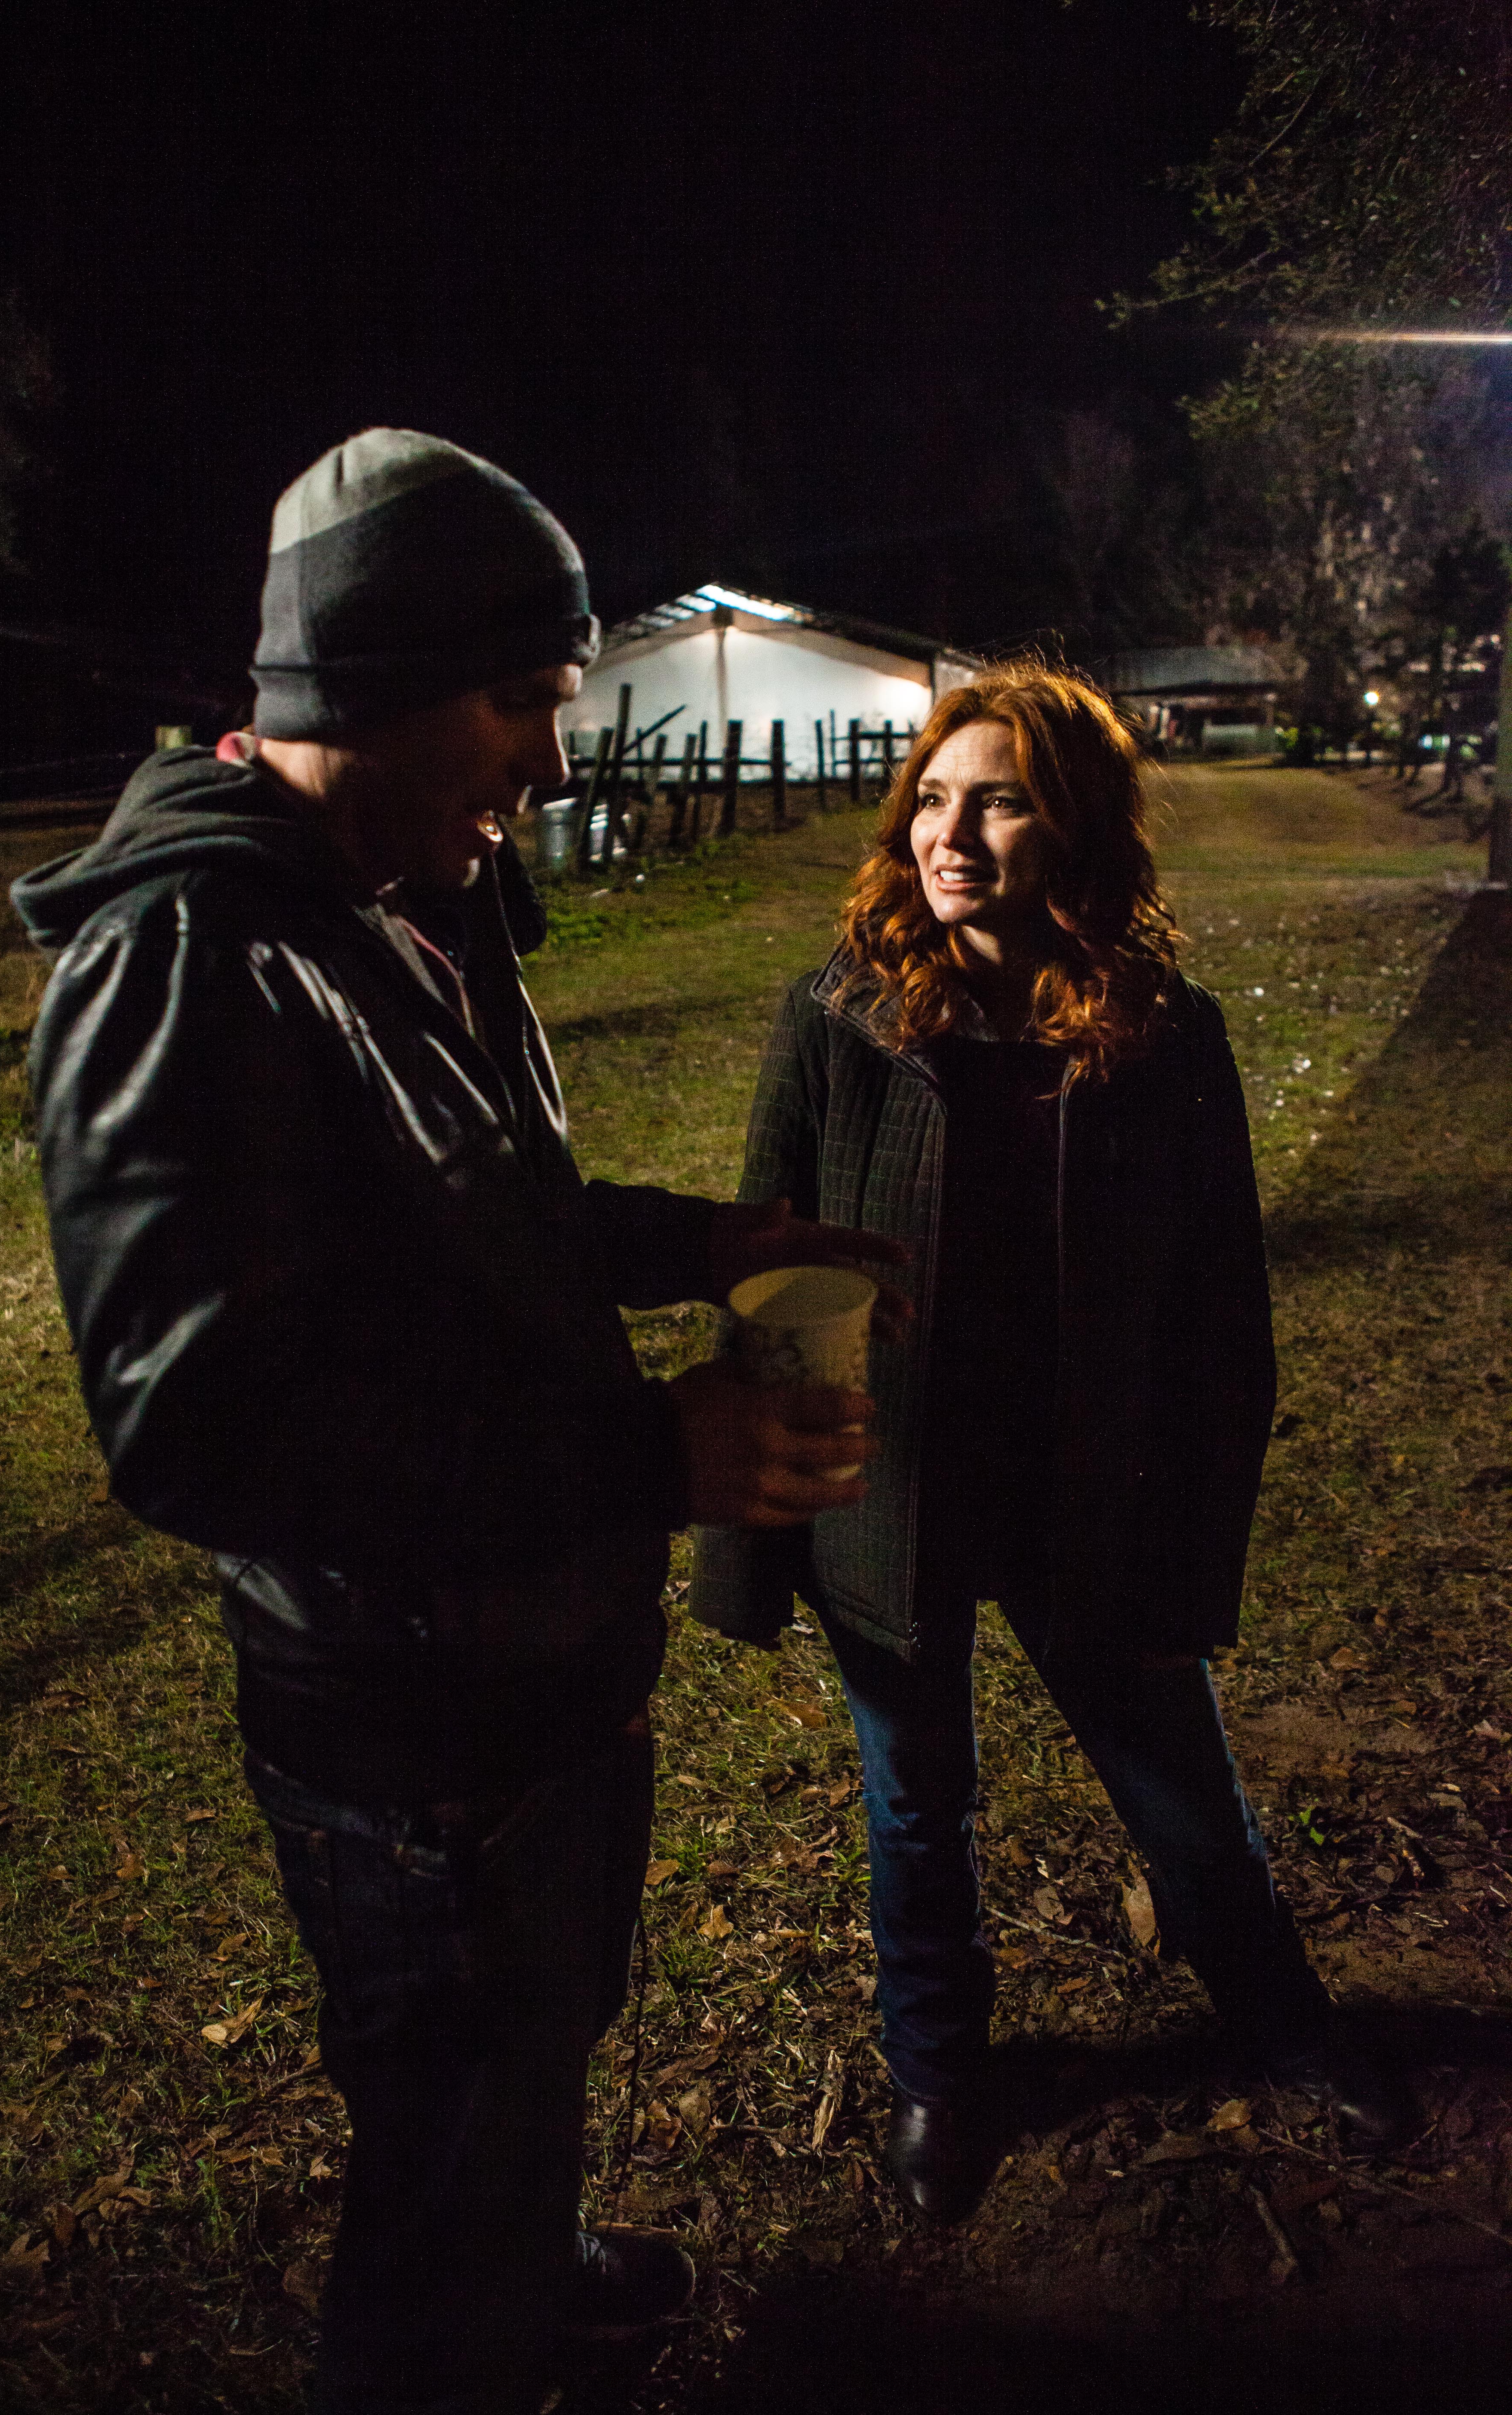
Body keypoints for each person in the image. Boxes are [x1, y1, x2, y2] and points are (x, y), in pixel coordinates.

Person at [12, 429, 897, 2415]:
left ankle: (529, 2244)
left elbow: (473, 1200)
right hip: (409, 1728)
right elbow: (200, 1426)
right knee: (447, 2140)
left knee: (535, 2039)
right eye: (524, 705)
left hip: (529, 1662)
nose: (559, 769)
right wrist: (644, 1465)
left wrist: (708, 1241)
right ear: (368, 685)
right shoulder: (191, 957)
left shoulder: (405, 887)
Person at [691, 665, 1410, 2224]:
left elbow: (1225, 1321)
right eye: (933, 799)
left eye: (998, 798)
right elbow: (762, 1286)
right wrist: (748, 1550)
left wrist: (1197, 1530)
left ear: (1072, 822)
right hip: (896, 1493)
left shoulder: (1167, 1038)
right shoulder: (842, 1019)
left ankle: (1288, 2032)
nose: (951, 833)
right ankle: (942, 2078)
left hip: (1096, 1500)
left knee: (1184, 1797)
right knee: (915, 1806)